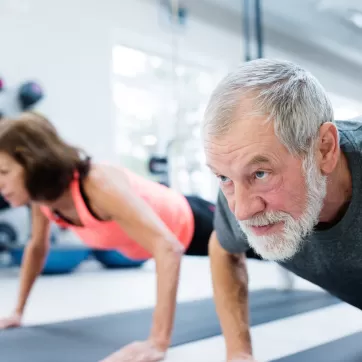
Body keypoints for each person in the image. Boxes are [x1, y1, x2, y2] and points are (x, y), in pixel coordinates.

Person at [0, 111, 215, 362]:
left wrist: (158, 342)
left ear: (33, 162)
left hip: (196, 221)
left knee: (268, 251)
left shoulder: (97, 184)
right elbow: (37, 246)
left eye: (4, 172)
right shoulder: (43, 198)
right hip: (172, 238)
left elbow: (168, 247)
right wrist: (17, 312)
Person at [202, 58, 362, 362]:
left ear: (324, 149)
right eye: (223, 177)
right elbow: (223, 248)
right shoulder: (239, 184)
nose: (243, 210)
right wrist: (238, 353)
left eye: (260, 174)